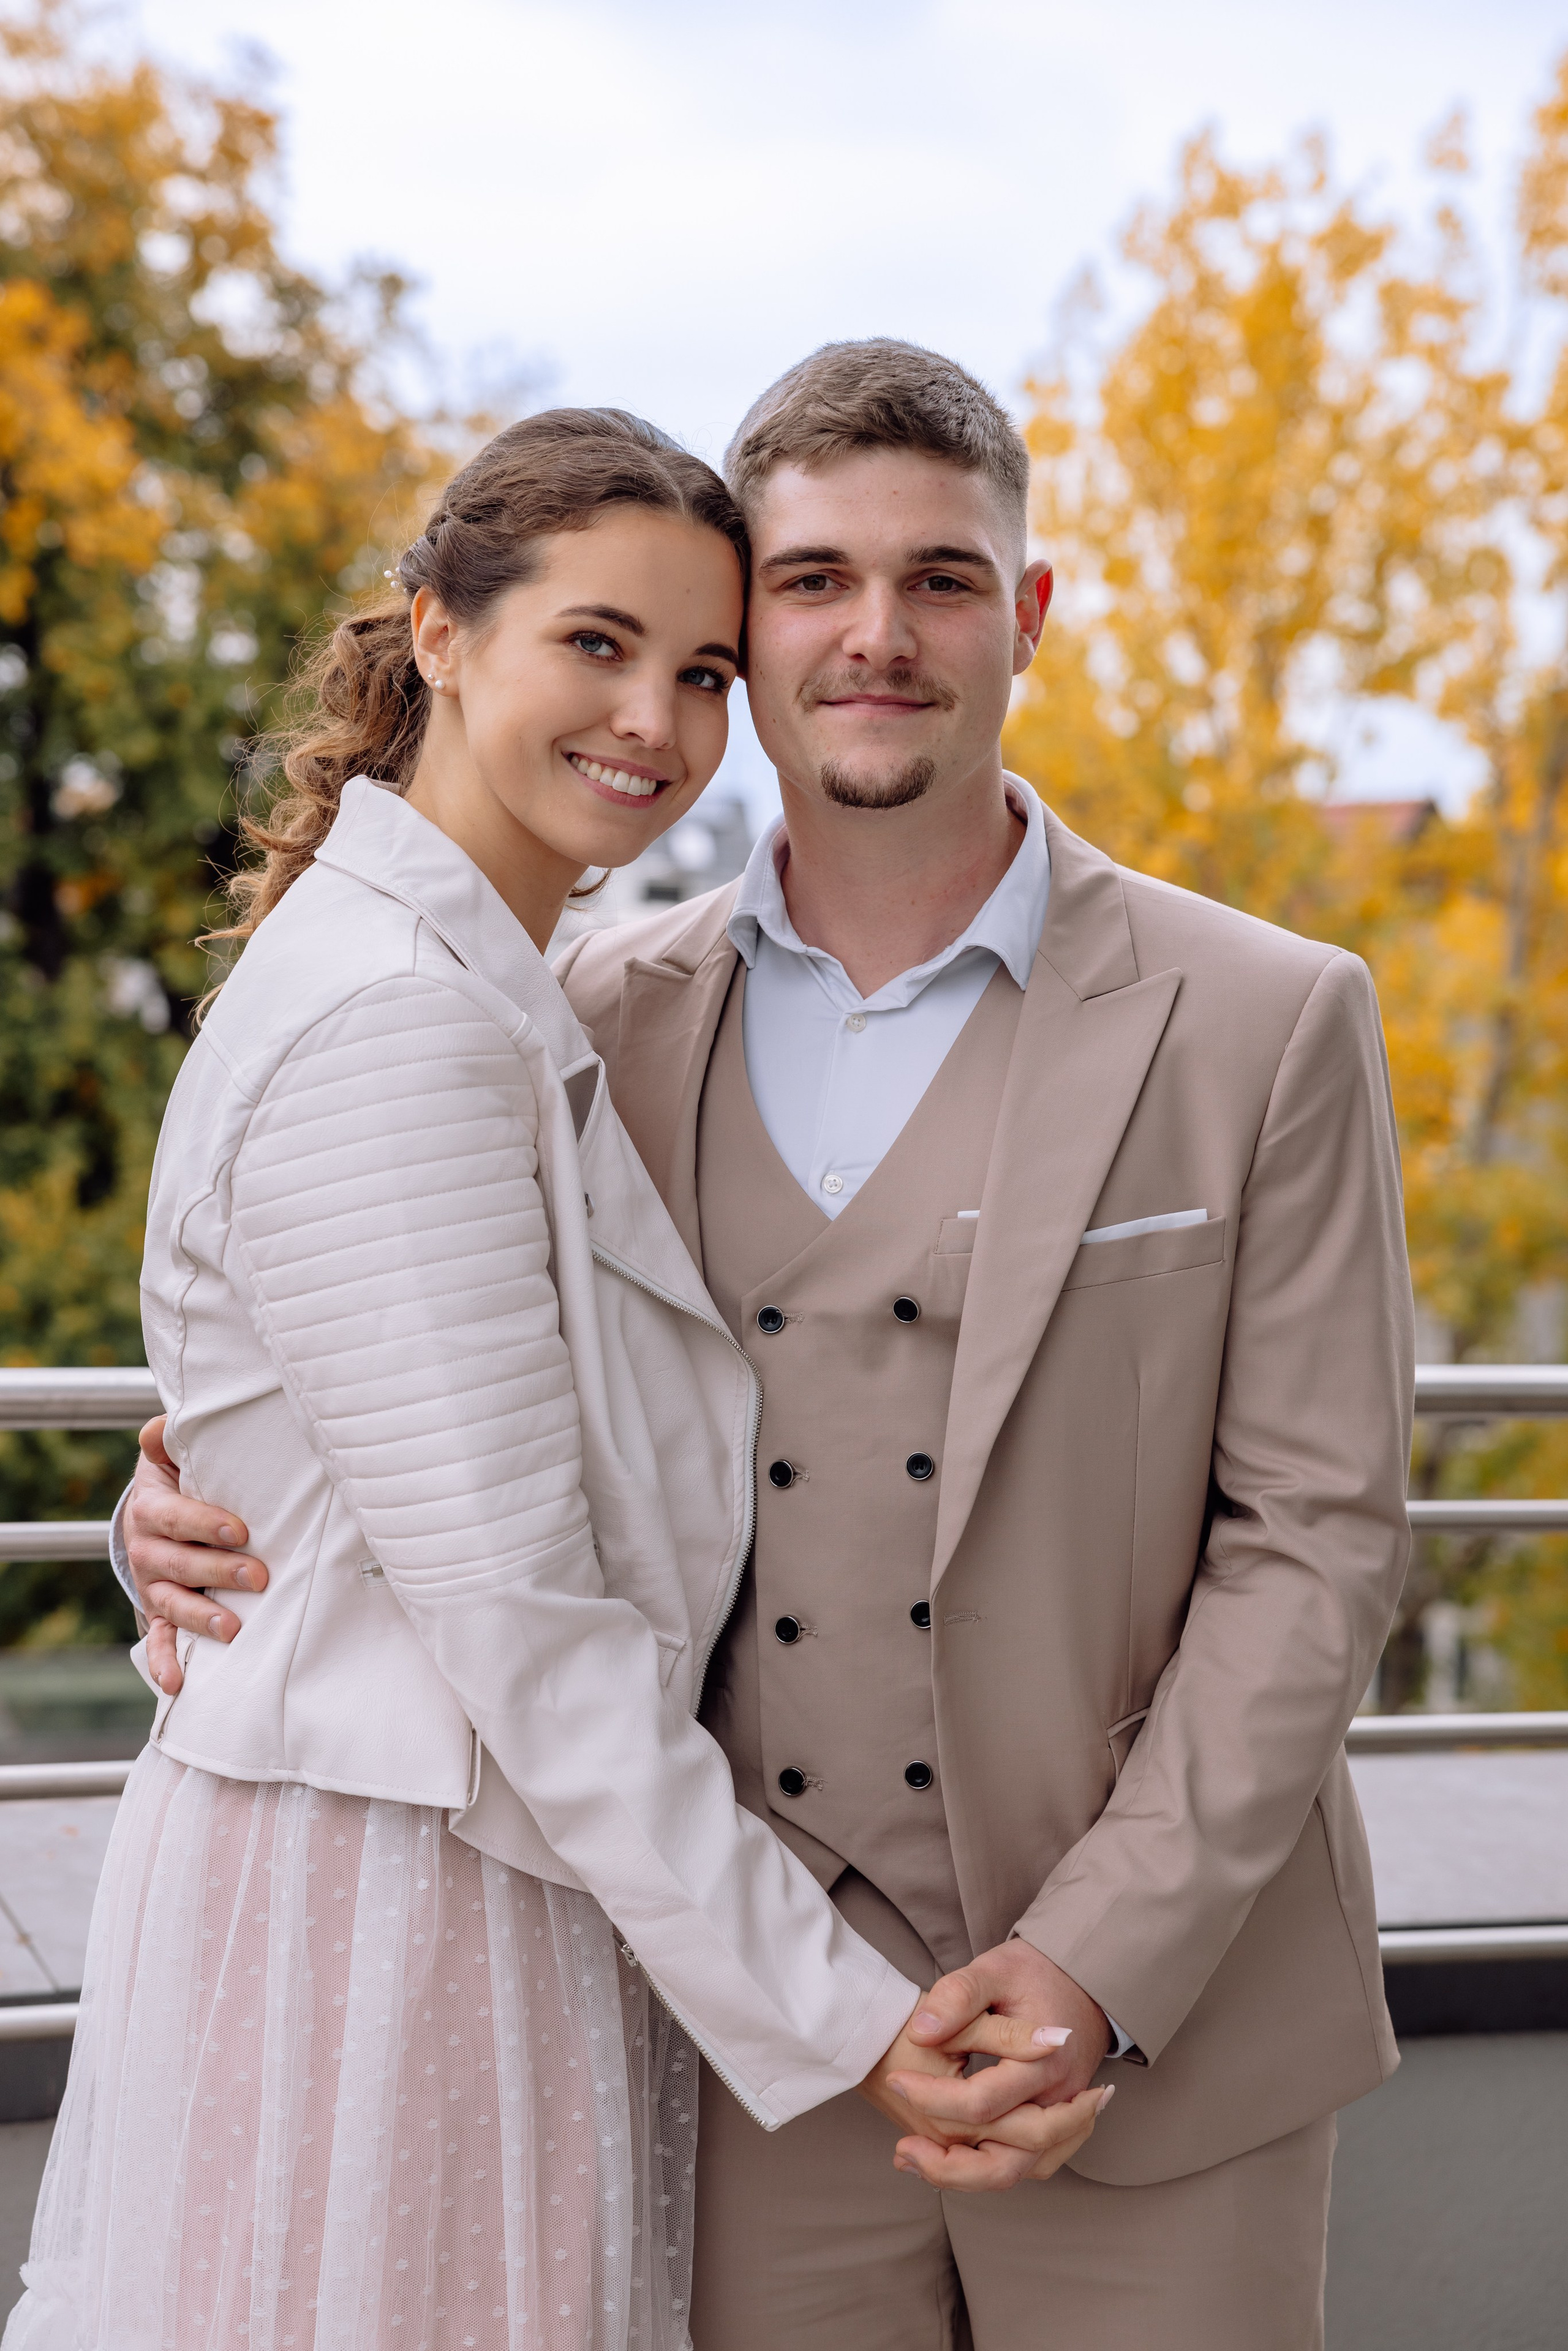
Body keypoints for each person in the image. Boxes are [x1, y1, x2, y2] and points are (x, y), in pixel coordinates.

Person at [118, 342, 1414, 2351]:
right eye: (807, 586)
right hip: (744, 2048)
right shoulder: (581, 1018)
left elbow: (1319, 1540)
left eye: (943, 579)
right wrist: (210, 1488)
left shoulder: (1267, 1016)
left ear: (1032, 614)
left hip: (1164, 2038)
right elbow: (401, 1368)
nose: (871, 637)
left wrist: (1096, 1960)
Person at [7, 407, 1107, 2351]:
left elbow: (366, 1450)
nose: (658, 724)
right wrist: (851, 2023)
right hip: (404, 1897)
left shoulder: (490, 985)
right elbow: (528, 1623)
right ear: (438, 631)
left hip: (472, 1863)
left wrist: (205, 1501)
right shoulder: (403, 1028)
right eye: (595, 645)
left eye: (699, 671)